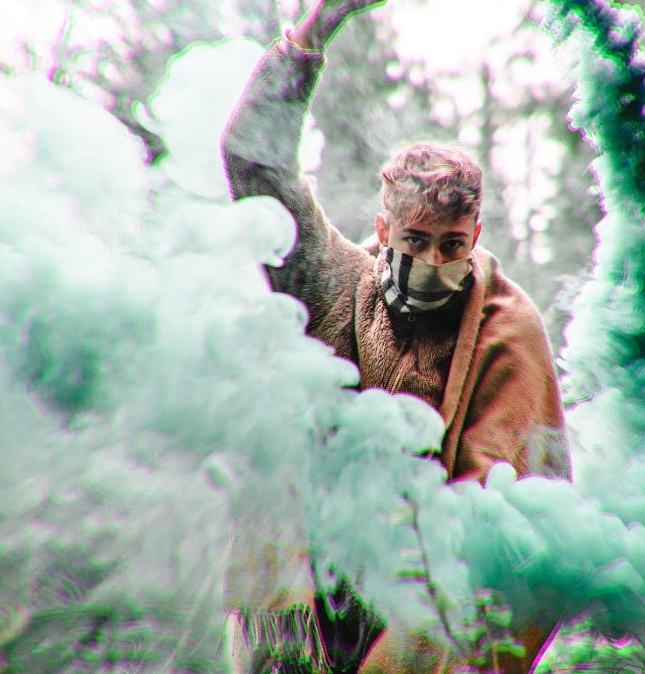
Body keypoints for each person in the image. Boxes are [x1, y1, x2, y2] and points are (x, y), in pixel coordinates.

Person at [221, 1, 569, 671]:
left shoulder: (505, 326)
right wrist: (307, 40)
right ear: (384, 233)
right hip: (301, 593)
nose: (434, 262)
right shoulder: (331, 280)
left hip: (427, 605)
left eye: (451, 246)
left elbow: (509, 513)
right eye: (416, 242)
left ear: (474, 238)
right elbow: (255, 168)